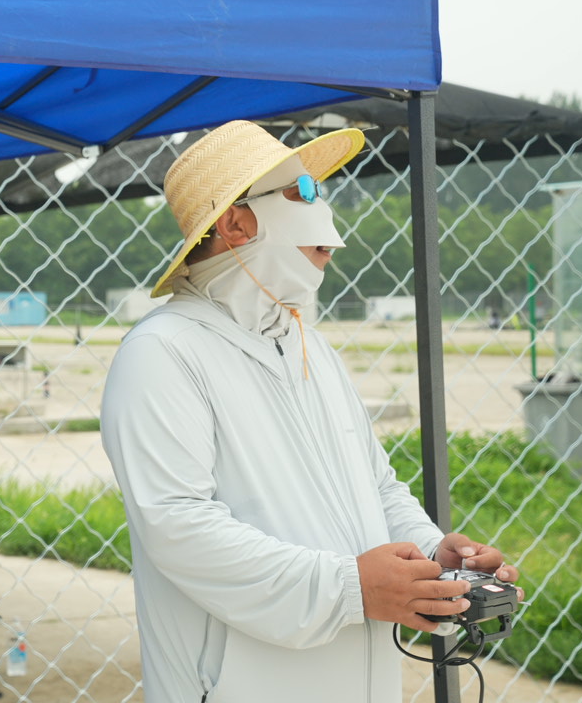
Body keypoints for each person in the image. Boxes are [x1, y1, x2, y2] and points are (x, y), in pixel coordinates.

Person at [100, 120, 522, 703]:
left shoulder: (308, 345)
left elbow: (376, 488)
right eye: (302, 192)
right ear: (236, 223)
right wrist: (351, 588)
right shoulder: (163, 352)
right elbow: (177, 526)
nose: (324, 212)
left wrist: (430, 558)